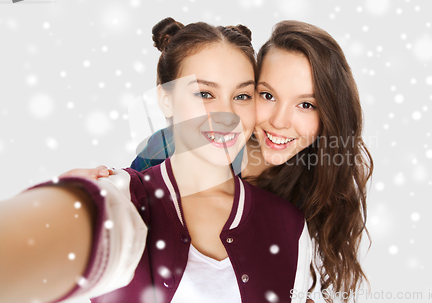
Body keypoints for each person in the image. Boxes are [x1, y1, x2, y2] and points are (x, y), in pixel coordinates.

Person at [0, 18, 313, 303]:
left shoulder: (289, 225)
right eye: (204, 93)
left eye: (242, 96)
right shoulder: (119, 197)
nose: (227, 115)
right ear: (166, 99)